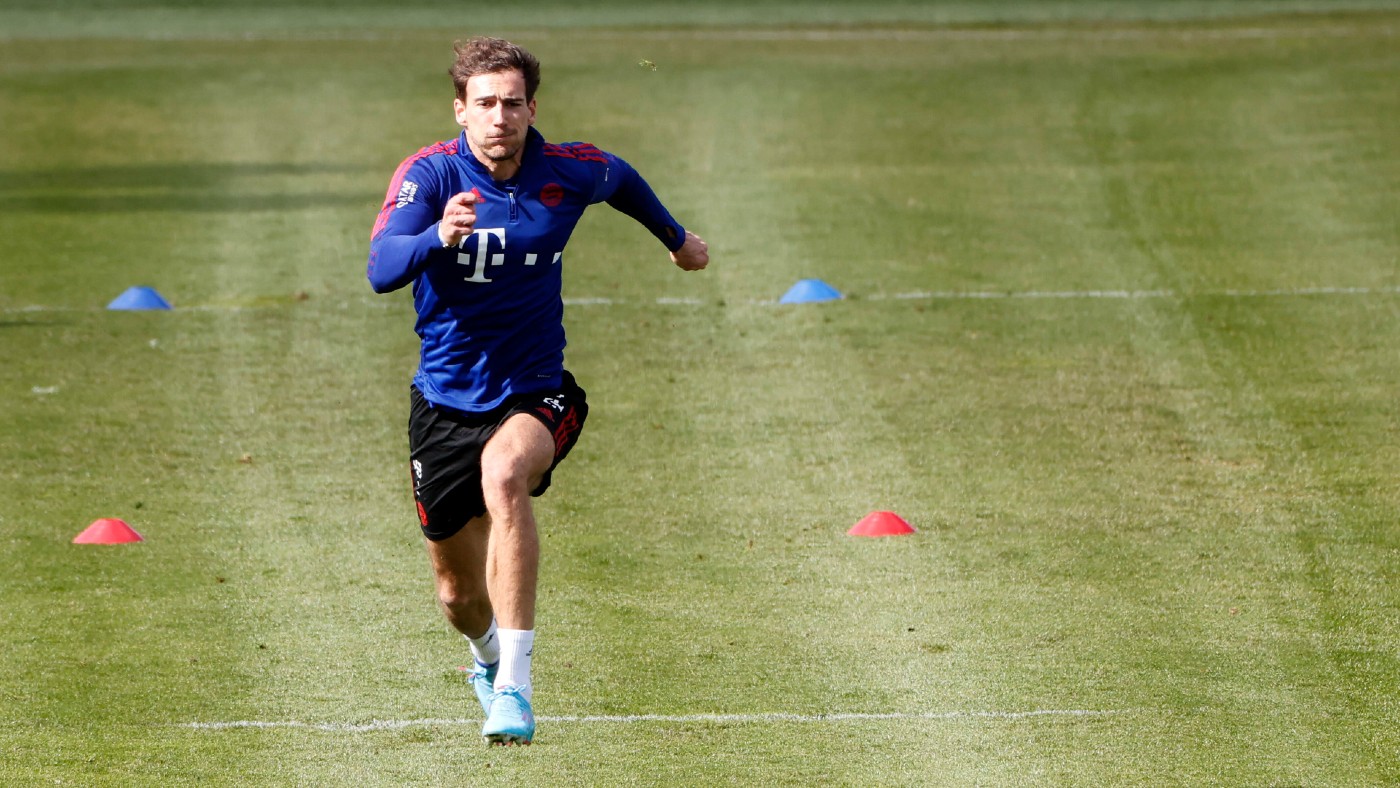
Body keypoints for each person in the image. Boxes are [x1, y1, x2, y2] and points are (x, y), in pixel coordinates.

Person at [366, 36, 708, 746]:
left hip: (536, 388)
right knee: (458, 597)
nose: (500, 117)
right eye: (485, 103)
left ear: (532, 108)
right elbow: (381, 268)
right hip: (445, 400)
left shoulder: (568, 169)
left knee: (505, 474)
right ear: (460, 110)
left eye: (513, 103)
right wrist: (438, 235)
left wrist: (676, 240)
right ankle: (488, 658)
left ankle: (515, 688)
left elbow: (622, 179)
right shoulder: (430, 176)